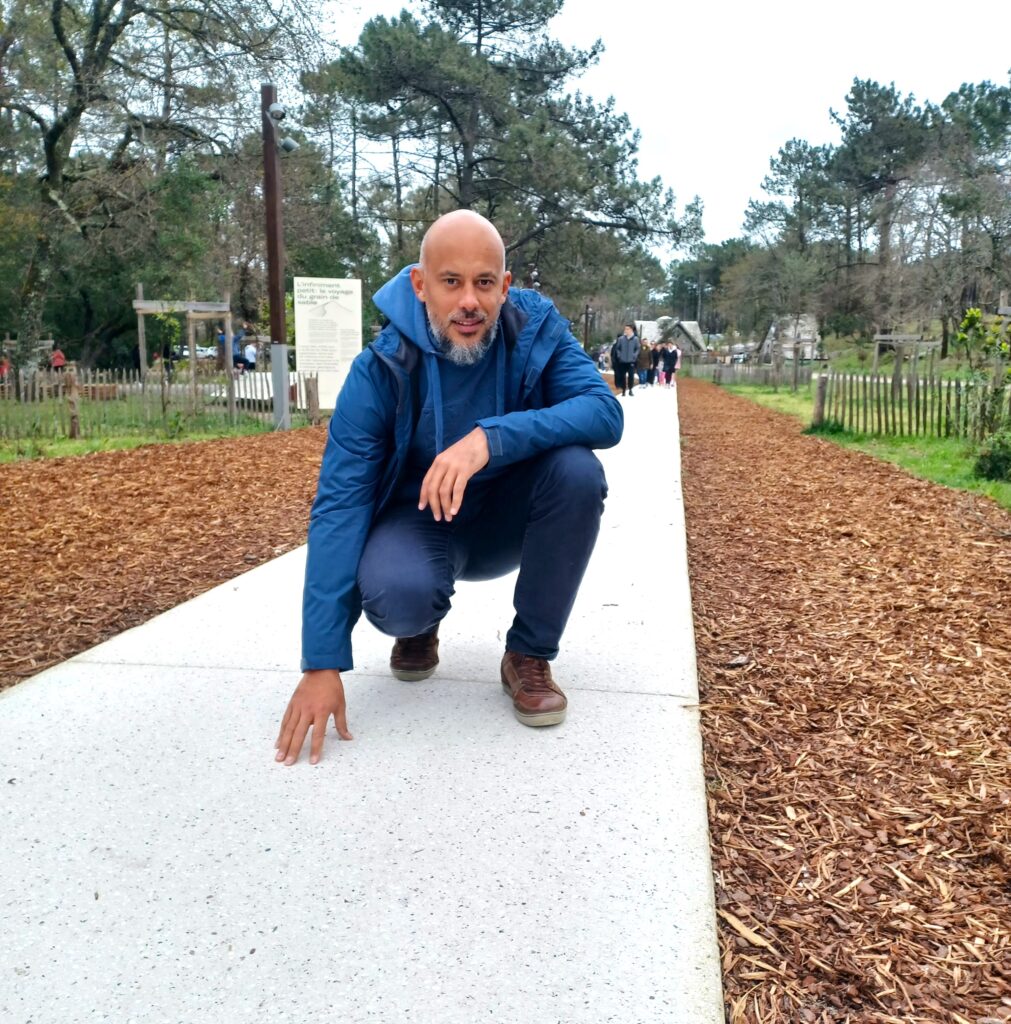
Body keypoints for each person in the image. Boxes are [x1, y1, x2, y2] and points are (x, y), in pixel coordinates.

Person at [275, 209, 623, 766]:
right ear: (420, 284)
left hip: (508, 517)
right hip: (422, 520)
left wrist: (491, 437)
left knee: (578, 471)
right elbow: (340, 505)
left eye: (484, 283)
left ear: (505, 287)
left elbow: (604, 413)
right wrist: (322, 663)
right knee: (398, 596)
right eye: (451, 282)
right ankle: (421, 625)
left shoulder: (536, 333)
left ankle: (528, 654)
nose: (469, 302)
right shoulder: (382, 368)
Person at [613, 323, 641, 396]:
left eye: (627, 329)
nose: (626, 330)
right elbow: (618, 348)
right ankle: (623, 389)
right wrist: (619, 356)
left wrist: (634, 356)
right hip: (622, 361)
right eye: (625, 329)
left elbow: (637, 349)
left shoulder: (635, 339)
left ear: (631, 330)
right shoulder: (621, 339)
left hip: (631, 361)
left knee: (631, 376)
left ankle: (630, 389)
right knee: (622, 376)